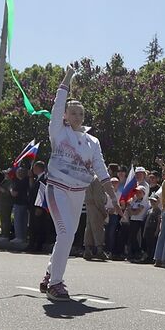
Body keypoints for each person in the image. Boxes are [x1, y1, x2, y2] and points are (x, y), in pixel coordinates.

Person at [40, 69, 114, 300]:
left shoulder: (92, 141)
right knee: (64, 233)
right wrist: (66, 78)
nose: (77, 117)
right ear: (64, 115)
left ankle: (49, 275)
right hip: (57, 189)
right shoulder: (58, 132)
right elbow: (57, 103)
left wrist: (113, 197)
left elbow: (101, 169)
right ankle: (56, 284)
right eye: (72, 113)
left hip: (78, 193)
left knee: (68, 235)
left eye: (80, 113)